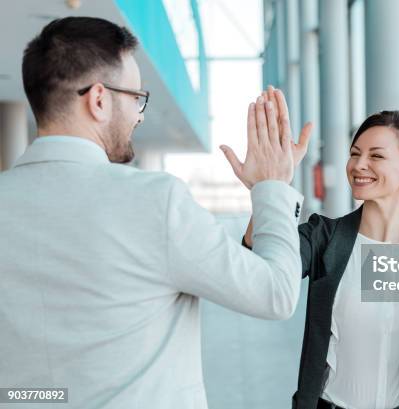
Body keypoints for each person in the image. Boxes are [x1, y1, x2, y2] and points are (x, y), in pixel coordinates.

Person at [0, 17, 307, 408]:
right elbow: (275, 294)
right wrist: (273, 187)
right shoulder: (154, 201)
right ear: (98, 99)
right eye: (135, 98)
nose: (140, 115)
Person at [237, 92, 399, 409]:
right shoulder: (323, 236)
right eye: (355, 154)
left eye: (376, 156)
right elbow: (256, 271)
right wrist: (268, 188)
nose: (359, 165)